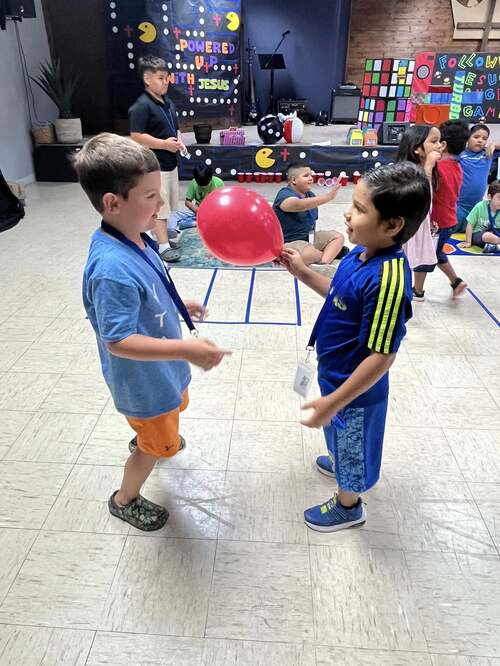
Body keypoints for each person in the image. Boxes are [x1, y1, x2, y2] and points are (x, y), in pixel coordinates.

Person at [74, 133, 230, 531]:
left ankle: (151, 435)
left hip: (161, 373)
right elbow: (118, 340)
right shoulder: (111, 269)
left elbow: (150, 287)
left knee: (172, 412)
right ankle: (125, 498)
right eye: (149, 196)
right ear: (113, 203)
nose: (161, 204)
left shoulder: (135, 237)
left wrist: (177, 305)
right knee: (154, 446)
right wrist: (185, 349)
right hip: (145, 384)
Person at [280, 161, 431, 531]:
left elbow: (382, 356)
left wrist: (335, 401)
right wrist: (303, 272)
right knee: (339, 436)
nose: (348, 213)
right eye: (353, 204)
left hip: (356, 392)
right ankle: (339, 459)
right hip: (336, 375)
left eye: (360, 209)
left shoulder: (388, 280)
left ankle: (349, 505)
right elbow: (339, 295)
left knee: (353, 444)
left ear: (392, 225)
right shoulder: (358, 253)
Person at [129, 55, 187, 261]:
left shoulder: (168, 102)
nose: (165, 82)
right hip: (154, 167)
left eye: (167, 78)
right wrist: (164, 144)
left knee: (171, 203)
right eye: (160, 78)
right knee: (159, 206)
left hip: (171, 163)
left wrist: (179, 142)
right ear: (147, 79)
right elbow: (136, 135)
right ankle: (162, 246)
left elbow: (175, 128)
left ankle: (163, 236)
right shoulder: (141, 106)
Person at [413, 120, 470, 300]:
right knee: (437, 252)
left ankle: (418, 291)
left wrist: (427, 166)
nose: (435, 145)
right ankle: (456, 281)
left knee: (425, 255)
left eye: (436, 141)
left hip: (436, 223)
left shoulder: (439, 168)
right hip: (449, 220)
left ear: (443, 145)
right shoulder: (456, 166)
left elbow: (424, 188)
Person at [273, 163, 347, 267]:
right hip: (288, 242)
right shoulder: (284, 194)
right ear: (294, 180)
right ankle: (328, 256)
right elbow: (298, 205)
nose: (311, 178)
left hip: (308, 238)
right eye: (306, 176)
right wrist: (329, 197)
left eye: (311, 175)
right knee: (309, 253)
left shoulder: (310, 195)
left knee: (338, 237)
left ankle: (323, 264)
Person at [396, 124, 441, 284]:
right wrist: (428, 167)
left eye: (440, 141)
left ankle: (415, 289)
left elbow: (428, 202)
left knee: (415, 264)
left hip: (420, 226)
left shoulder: (430, 170)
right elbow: (418, 197)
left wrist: (430, 219)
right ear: (417, 149)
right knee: (401, 267)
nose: (439, 146)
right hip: (405, 230)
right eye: (434, 141)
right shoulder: (406, 172)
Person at [456, 123, 499, 232]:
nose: (480, 140)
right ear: (468, 138)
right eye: (476, 137)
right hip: (459, 205)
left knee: (471, 234)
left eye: (484, 139)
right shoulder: (460, 154)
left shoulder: (488, 154)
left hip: (477, 207)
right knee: (452, 233)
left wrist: (494, 144)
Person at [168, 165, 224, 236]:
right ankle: (171, 229)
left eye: (206, 185)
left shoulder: (218, 183)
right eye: (200, 185)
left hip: (212, 213)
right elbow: (187, 202)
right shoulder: (194, 182)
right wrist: (197, 210)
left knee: (223, 218)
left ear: (211, 177)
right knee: (174, 214)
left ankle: (195, 223)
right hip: (197, 211)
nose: (203, 187)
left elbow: (222, 204)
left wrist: (209, 212)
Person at [460, 180, 500, 253]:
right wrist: (468, 242)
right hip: (479, 234)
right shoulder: (479, 206)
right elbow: (470, 225)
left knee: (492, 237)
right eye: (499, 197)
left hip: (496, 233)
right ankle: (495, 245)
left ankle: (495, 247)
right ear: (489, 197)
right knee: (488, 236)